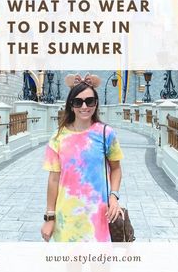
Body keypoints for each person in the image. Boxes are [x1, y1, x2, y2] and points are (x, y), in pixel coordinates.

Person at [41, 73, 124, 242]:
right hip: (67, 218)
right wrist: (50, 218)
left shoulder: (106, 133)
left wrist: (114, 197)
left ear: (96, 104)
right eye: (78, 102)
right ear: (71, 106)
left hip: (99, 216)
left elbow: (116, 169)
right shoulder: (58, 138)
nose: (84, 106)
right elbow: (53, 180)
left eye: (90, 101)